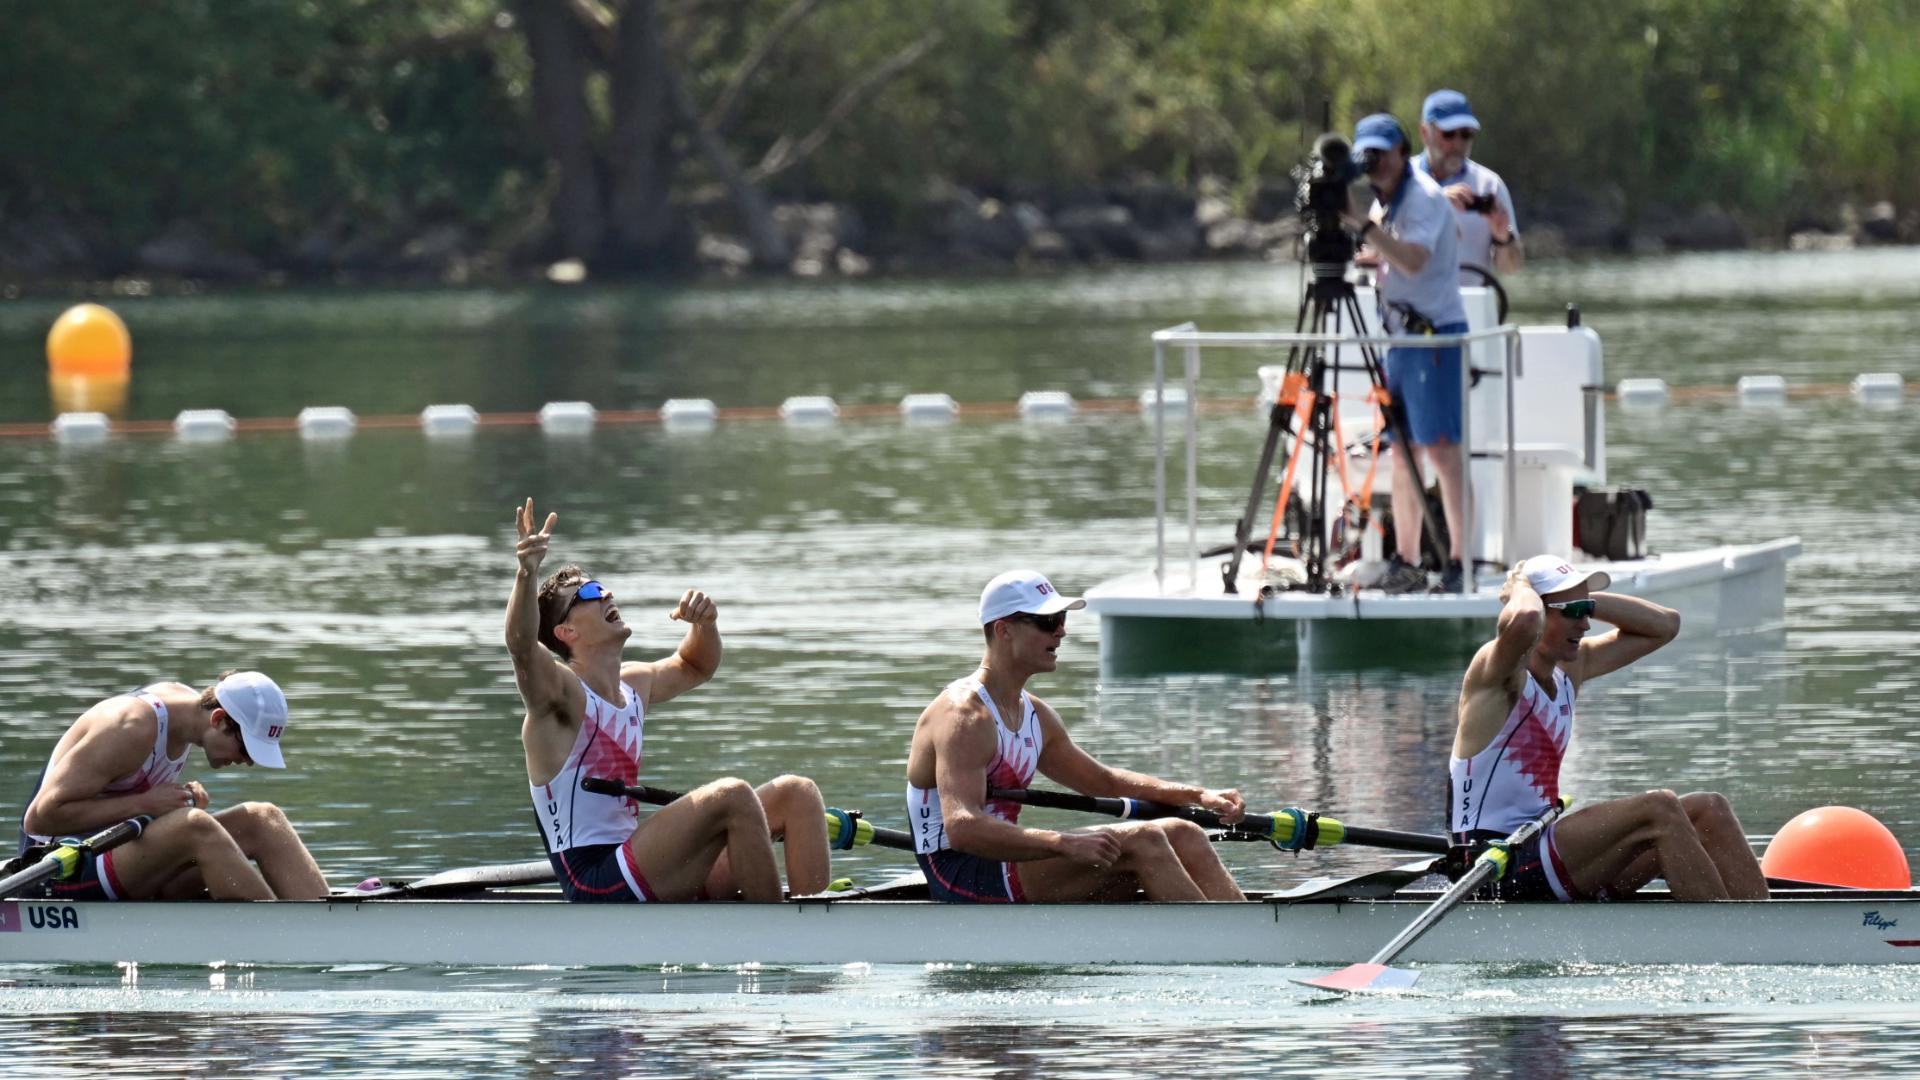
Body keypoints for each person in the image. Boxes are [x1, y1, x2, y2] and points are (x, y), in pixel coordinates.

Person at [506, 498, 830, 903]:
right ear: (566, 631)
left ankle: (817, 923)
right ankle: (785, 940)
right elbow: (520, 647)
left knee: (796, 794)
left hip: (638, 862)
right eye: (589, 592)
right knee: (733, 796)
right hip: (596, 880)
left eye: (601, 584)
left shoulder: (634, 685)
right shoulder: (560, 697)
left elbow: (695, 665)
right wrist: (525, 572)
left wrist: (705, 625)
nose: (605, 592)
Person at [905, 570, 1246, 902]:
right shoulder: (963, 717)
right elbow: (963, 828)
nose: (1061, 633)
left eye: (1062, 620)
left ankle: (1245, 935)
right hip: (961, 873)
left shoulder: (1035, 715)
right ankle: (1215, 946)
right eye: (1048, 622)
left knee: (1186, 834)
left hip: (1010, 863)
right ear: (1003, 629)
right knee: (1147, 839)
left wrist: (1199, 795)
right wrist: (1061, 842)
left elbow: (1105, 781)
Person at [1449, 555, 1768, 901]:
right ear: (1541, 612)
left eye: (1587, 609)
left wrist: (1579, 600)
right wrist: (1522, 585)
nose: (1585, 623)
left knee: (1709, 810)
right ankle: (1725, 939)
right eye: (1573, 612)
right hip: (1492, 864)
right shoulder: (1497, 674)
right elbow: (1524, 619)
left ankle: (1764, 936)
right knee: (1658, 809)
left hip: (1538, 848)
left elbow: (1665, 625)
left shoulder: (1571, 669)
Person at [17, 671, 329, 901]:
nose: (248, 762)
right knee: (194, 826)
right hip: (59, 870)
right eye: (246, 749)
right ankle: (282, 935)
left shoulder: (187, 712)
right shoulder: (129, 726)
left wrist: (171, 804)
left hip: (123, 860)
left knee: (262, 818)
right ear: (219, 719)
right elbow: (41, 817)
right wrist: (146, 805)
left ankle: (327, 924)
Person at [1341, 112, 1471, 593]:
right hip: (1402, 341)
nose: (1377, 166)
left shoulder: (1424, 199)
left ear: (1402, 153)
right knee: (1403, 454)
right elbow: (1380, 250)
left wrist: (1363, 228)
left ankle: (1460, 560)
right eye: (1368, 158)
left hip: (1434, 339)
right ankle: (1408, 559)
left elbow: (1413, 261)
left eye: (1383, 155)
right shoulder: (1388, 203)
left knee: (1443, 453)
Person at [1415, 89, 1523, 278]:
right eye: (1448, 134)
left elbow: (1511, 269)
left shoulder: (1489, 185)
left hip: (1470, 306)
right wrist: (1436, 200)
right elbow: (1375, 235)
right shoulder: (1403, 177)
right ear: (1425, 132)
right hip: (1410, 303)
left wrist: (1503, 238)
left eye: (1466, 134)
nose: (1458, 143)